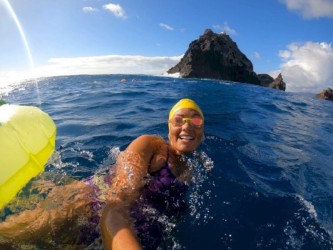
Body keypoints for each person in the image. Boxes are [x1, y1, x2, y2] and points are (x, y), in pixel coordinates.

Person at [0, 98, 205, 249]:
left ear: (202, 131)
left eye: (195, 120)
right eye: (179, 120)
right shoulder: (149, 144)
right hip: (85, 206)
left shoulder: (195, 168)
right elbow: (115, 204)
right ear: (169, 127)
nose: (187, 125)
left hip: (125, 235)